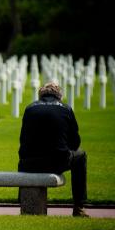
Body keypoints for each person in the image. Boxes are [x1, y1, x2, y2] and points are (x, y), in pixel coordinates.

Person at [18, 82, 89, 217]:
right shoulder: (66, 109)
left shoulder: (30, 108)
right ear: (59, 96)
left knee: (24, 154)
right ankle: (79, 207)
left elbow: (23, 140)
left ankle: (22, 202)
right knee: (81, 155)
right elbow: (75, 142)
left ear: (40, 95)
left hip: (30, 164)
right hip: (57, 162)